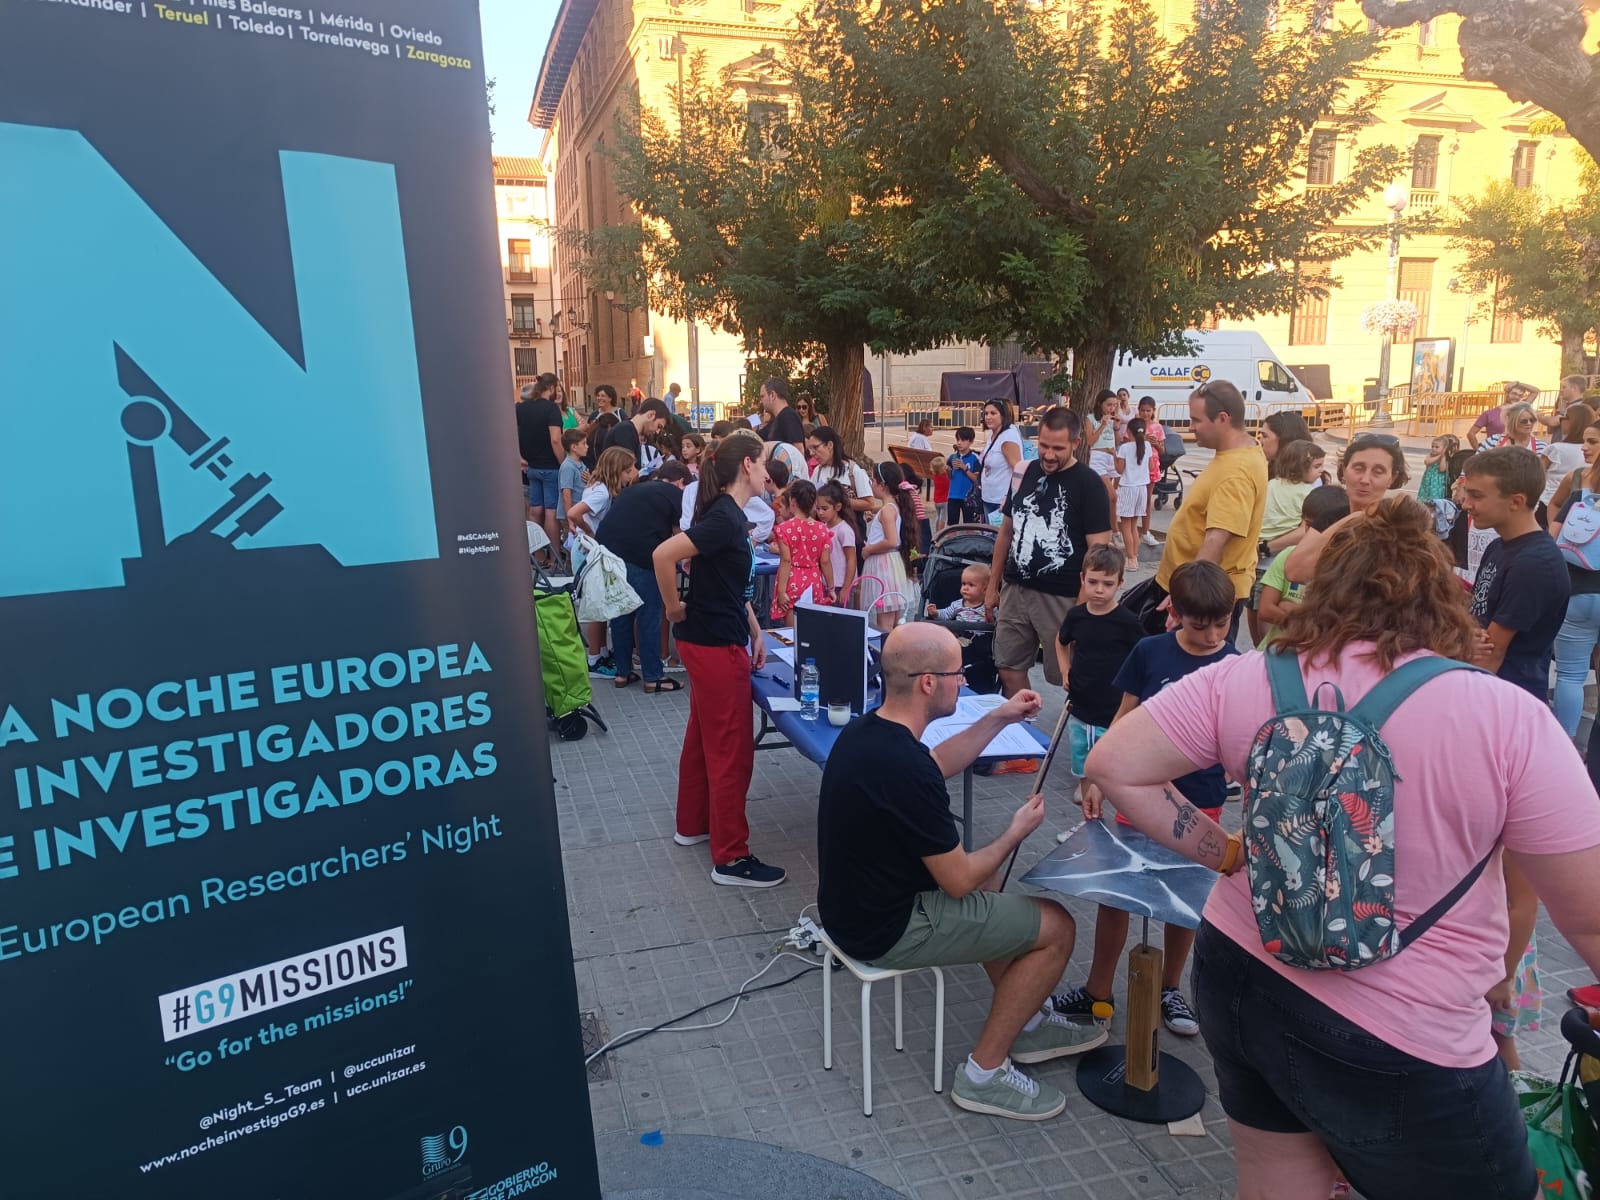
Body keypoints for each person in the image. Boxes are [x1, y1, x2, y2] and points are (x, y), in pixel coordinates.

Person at [1082, 494, 1600, 1200]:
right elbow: (1590, 919)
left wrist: (1227, 855)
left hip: (1241, 971)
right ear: (1441, 595)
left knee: (1276, 1186)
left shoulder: (1251, 674)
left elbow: (1113, 764)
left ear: (1322, 587)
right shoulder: (1507, 718)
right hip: (1404, 1029)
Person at [816, 623, 1106, 1122]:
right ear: (928, 683)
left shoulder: (870, 732)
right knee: (1057, 926)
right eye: (958, 674)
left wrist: (999, 717)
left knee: (997, 899)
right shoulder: (904, 766)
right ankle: (984, 1074)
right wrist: (1015, 831)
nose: (964, 681)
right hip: (887, 928)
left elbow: (936, 762)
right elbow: (959, 880)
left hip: (852, 909)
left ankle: (1030, 1022)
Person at [1051, 561, 1239, 1036]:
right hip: (1138, 799)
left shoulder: (1235, 665)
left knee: (1185, 901)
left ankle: (1171, 989)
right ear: (1173, 610)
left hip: (1203, 803)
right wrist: (1098, 774)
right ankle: (1097, 991)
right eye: (1201, 624)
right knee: (1116, 895)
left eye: (1223, 623)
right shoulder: (1149, 652)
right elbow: (1125, 719)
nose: (1213, 635)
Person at [652, 432, 785, 888]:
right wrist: (672, 610)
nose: (770, 472)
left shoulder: (727, 514)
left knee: (702, 738)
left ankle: (692, 827)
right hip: (713, 646)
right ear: (747, 465)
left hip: (717, 638)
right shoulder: (726, 518)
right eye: (765, 462)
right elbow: (663, 555)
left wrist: (756, 630)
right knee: (731, 751)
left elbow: (729, 583)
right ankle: (731, 858)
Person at [983, 407, 1113, 697]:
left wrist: (1082, 608)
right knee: (1007, 665)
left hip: (1062, 597)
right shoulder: (1024, 472)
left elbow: (1099, 552)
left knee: (1069, 674)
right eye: (1043, 445)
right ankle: (1025, 727)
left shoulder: (1089, 484)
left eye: (1058, 448)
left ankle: (1077, 736)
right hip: (1015, 589)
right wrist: (993, 585)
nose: (1049, 455)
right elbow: (1006, 532)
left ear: (1076, 443)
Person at [1143, 380, 1267, 638]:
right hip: (1192, 591)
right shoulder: (1240, 452)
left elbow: (1216, 539)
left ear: (1222, 418)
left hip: (1201, 601)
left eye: (1196, 420)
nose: (1190, 428)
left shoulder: (1235, 473)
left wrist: (1184, 601)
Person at [1462, 447, 1570, 698]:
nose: (1467, 504)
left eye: (1476, 496)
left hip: (1505, 696)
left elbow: (1491, 653)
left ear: (1516, 501)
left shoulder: (1533, 564)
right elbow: (1478, 613)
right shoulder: (1498, 546)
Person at [1052, 544, 1143, 840]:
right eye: (1093, 582)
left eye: (1107, 584)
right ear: (1082, 579)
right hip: (1079, 703)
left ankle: (1119, 820)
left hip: (1114, 708)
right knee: (1081, 760)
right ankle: (1087, 819)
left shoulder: (1127, 621)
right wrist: (1065, 670)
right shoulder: (1077, 616)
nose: (1099, 590)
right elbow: (1060, 640)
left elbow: (1143, 657)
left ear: (1120, 583)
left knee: (1111, 763)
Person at [598, 462, 690, 692]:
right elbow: (680, 537)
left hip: (609, 554)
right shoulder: (675, 495)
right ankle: (653, 677)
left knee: (621, 615)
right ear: (681, 482)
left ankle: (622, 673)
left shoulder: (636, 488)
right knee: (650, 617)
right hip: (641, 556)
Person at [1283, 434, 1408, 584]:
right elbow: (1295, 572)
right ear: (1344, 470)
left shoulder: (1400, 525)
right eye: (1358, 468)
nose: (1365, 480)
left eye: (1378, 471)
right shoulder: (1330, 519)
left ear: (1392, 478)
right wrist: (1353, 518)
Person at [1548, 415, 1600, 736]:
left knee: (1570, 675)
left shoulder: (1581, 489)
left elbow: (1552, 539)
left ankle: (1563, 744)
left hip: (1577, 592)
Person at [569, 447, 639, 678]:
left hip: (585, 548)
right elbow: (574, 513)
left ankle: (598, 653)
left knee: (598, 603)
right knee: (597, 605)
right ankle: (593, 660)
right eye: (628, 471)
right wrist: (592, 533)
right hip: (589, 550)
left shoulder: (598, 487)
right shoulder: (602, 493)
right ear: (617, 470)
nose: (632, 475)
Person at [1255, 486, 1350, 643]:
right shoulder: (1288, 555)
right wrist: (1302, 618)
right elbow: (1265, 610)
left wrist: (1290, 612)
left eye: (1321, 527)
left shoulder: (1347, 565)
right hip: (1277, 648)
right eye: (1307, 524)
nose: (1311, 532)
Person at [860, 461, 916, 631]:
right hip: (891, 565)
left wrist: (869, 549)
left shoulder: (887, 510)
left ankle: (887, 654)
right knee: (893, 620)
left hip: (884, 566)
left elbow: (892, 541)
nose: (871, 484)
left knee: (884, 623)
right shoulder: (892, 507)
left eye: (873, 481)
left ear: (882, 485)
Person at [770, 479, 835, 621]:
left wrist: (781, 591)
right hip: (814, 581)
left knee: (791, 635)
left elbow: (786, 560)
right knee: (812, 632)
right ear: (813, 503)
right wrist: (831, 588)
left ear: (792, 501)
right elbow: (825, 561)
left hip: (792, 580)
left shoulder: (785, 529)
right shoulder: (822, 529)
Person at [516, 379, 565, 553]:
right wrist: (563, 463)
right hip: (550, 467)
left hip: (531, 468)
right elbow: (555, 439)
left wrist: (519, 456)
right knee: (551, 513)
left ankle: (538, 556)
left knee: (535, 512)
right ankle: (554, 558)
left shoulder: (521, 408)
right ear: (551, 388)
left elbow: (508, 432)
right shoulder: (551, 408)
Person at [1539, 401, 1593, 524]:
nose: (1561, 421)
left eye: (1564, 417)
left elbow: (1537, 477)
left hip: (1549, 502)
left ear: (1571, 422)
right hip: (1580, 505)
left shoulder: (1555, 449)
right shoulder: (1592, 450)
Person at [807, 427, 875, 516]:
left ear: (830, 445)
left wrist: (838, 501)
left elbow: (869, 503)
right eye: (809, 449)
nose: (812, 453)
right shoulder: (818, 471)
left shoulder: (853, 470)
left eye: (815, 447)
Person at [1114, 417, 1152, 570]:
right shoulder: (1148, 446)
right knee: (1134, 525)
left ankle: (1131, 559)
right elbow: (1150, 466)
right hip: (1141, 488)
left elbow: (1119, 470)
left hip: (1128, 488)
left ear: (1128, 431)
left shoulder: (1124, 448)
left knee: (1126, 526)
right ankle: (1134, 555)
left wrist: (1113, 456)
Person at [977, 399, 1024, 516]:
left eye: (993, 413)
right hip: (989, 497)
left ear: (1003, 415)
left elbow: (1018, 470)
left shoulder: (1007, 437)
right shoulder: (994, 434)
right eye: (986, 413)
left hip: (1001, 500)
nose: (988, 417)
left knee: (998, 534)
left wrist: (1009, 497)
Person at [814, 481, 857, 607]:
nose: (820, 512)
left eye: (825, 509)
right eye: (818, 509)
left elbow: (851, 560)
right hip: (828, 583)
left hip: (841, 584)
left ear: (837, 507)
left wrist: (846, 588)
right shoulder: (823, 528)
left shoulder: (844, 530)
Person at [603, 397, 672, 467]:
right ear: (650, 415)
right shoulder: (625, 430)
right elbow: (627, 470)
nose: (657, 432)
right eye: (659, 426)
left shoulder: (629, 430)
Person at [1085, 389, 1122, 508]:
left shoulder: (1112, 419)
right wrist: (1102, 425)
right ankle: (1113, 526)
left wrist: (1116, 427)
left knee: (1107, 497)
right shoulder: (1091, 419)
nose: (1111, 408)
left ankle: (1109, 523)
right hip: (1098, 457)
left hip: (1111, 455)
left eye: (1114, 405)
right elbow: (1090, 441)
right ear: (1100, 403)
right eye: (1109, 405)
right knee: (1112, 496)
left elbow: (1117, 441)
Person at [1136, 396, 1165, 548]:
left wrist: (1156, 444)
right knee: (1136, 500)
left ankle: (1146, 531)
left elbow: (1162, 449)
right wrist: (1141, 439)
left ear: (1153, 411)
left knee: (1147, 500)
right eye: (1143, 410)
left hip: (1152, 467)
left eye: (1148, 411)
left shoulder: (1158, 428)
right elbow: (1127, 443)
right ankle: (1133, 531)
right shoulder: (1134, 426)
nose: (1145, 413)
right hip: (1136, 466)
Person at [758, 376, 807, 460]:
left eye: (762, 396)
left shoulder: (788, 416)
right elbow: (755, 437)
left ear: (772, 395)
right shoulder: (777, 420)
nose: (761, 401)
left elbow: (799, 450)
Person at [926, 562, 991, 622]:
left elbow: (997, 622)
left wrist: (991, 620)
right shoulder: (957, 604)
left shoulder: (988, 606)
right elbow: (946, 614)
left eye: (971, 585)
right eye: (963, 584)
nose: (965, 588)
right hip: (960, 633)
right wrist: (936, 613)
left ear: (984, 589)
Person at [1259, 411, 1313, 477]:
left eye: (1265, 436)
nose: (1260, 442)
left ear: (1283, 439)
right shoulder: (1271, 469)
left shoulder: (1310, 476)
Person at [557, 427, 589, 537]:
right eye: (584, 444)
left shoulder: (580, 463)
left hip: (578, 513)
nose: (587, 447)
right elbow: (566, 494)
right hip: (571, 514)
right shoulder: (568, 467)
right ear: (574, 447)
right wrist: (570, 519)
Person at [946, 427, 981, 526]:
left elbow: (976, 479)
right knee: (952, 526)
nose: (959, 443)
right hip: (953, 496)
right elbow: (950, 477)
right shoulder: (952, 457)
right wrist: (948, 470)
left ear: (971, 441)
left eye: (963, 440)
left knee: (970, 526)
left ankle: (969, 542)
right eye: (958, 440)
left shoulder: (974, 458)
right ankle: (952, 541)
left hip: (968, 497)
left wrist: (964, 468)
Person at [1416, 434, 1459, 503]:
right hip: (1428, 481)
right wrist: (1439, 456)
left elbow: (1442, 469)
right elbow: (1427, 462)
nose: (1433, 449)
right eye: (1432, 446)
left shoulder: (1445, 458)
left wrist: (1443, 456)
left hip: (1438, 483)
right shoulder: (1431, 455)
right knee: (1425, 495)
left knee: (1435, 497)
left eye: (1437, 447)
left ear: (1444, 448)